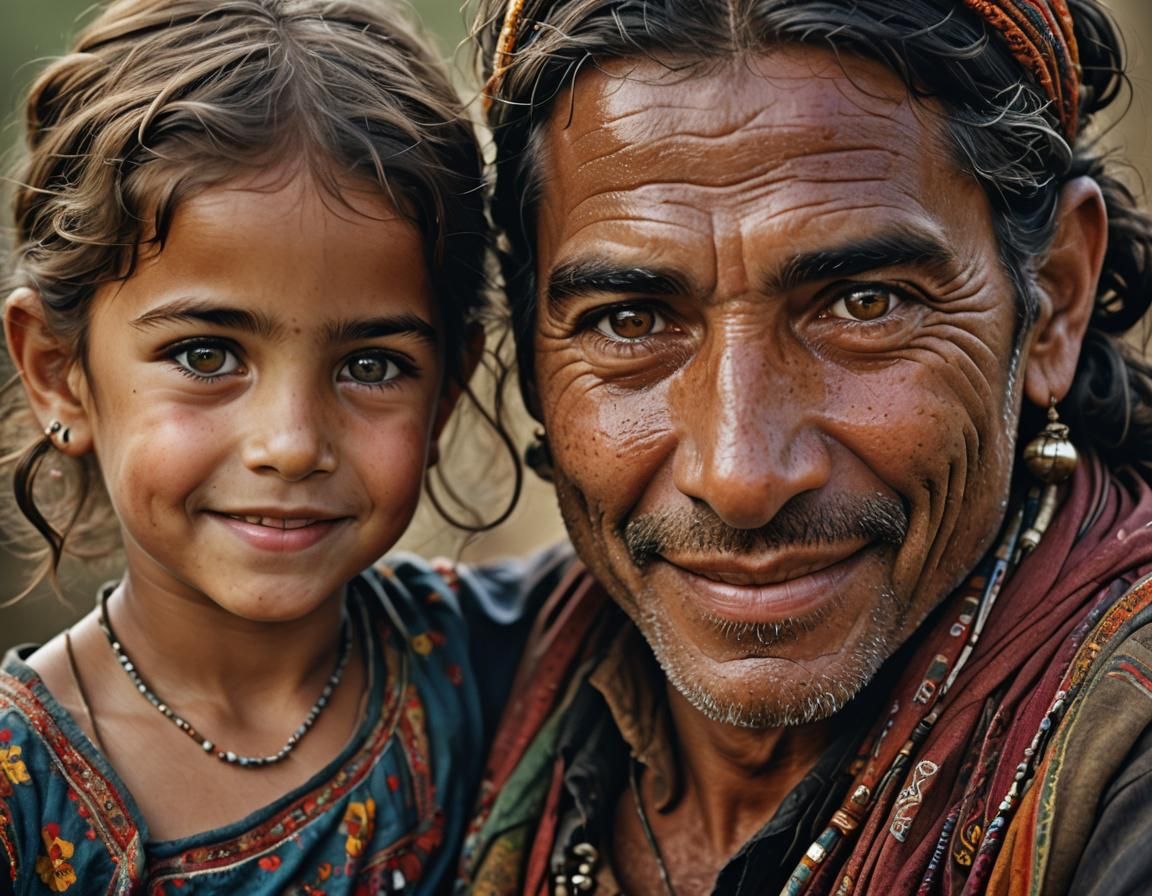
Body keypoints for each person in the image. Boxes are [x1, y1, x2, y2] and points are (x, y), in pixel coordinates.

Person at [460, 0, 1152, 893]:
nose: (741, 474)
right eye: (629, 322)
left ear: (1054, 300)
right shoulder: (441, 684)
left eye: (865, 304)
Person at [0, 0, 533, 892]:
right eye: (205, 355)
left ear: (446, 392)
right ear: (59, 372)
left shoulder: (492, 658)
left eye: (372, 364)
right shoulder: (23, 795)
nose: (291, 444)